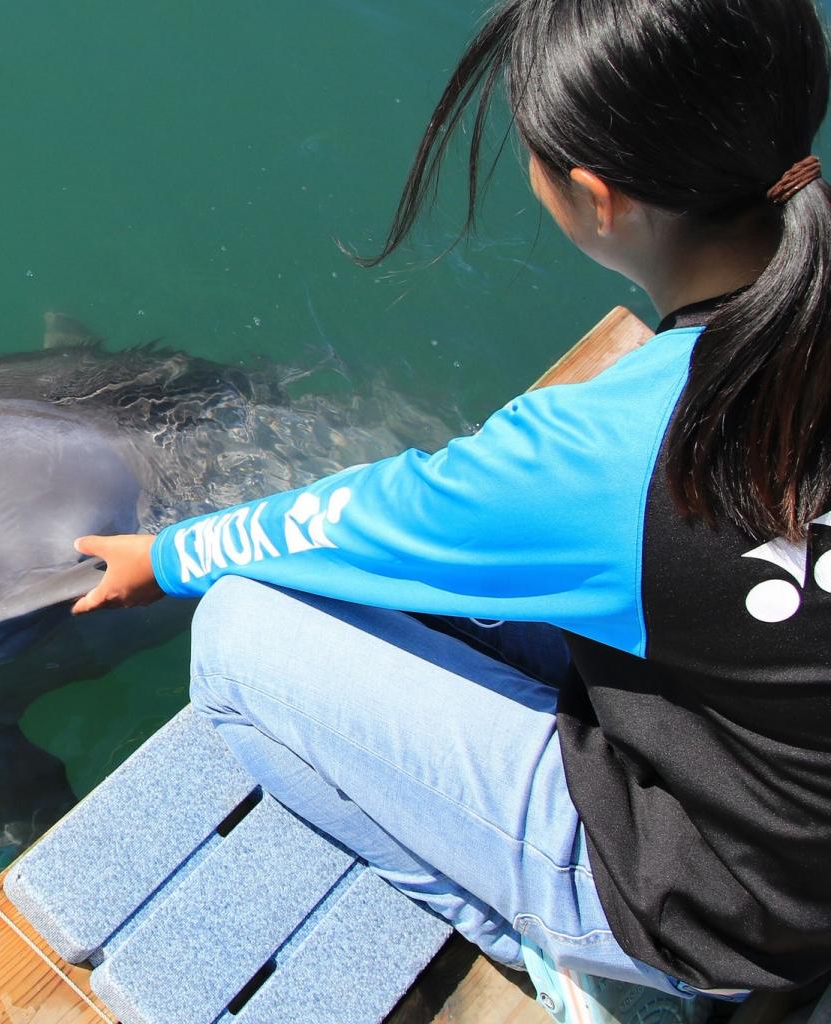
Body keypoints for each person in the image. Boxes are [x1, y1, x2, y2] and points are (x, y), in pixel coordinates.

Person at [70, 0, 831, 1018]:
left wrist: (167, 557)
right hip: (788, 777)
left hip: (742, 907)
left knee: (239, 636)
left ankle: (582, 966)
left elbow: (373, 517)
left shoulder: (609, 450)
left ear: (596, 201)